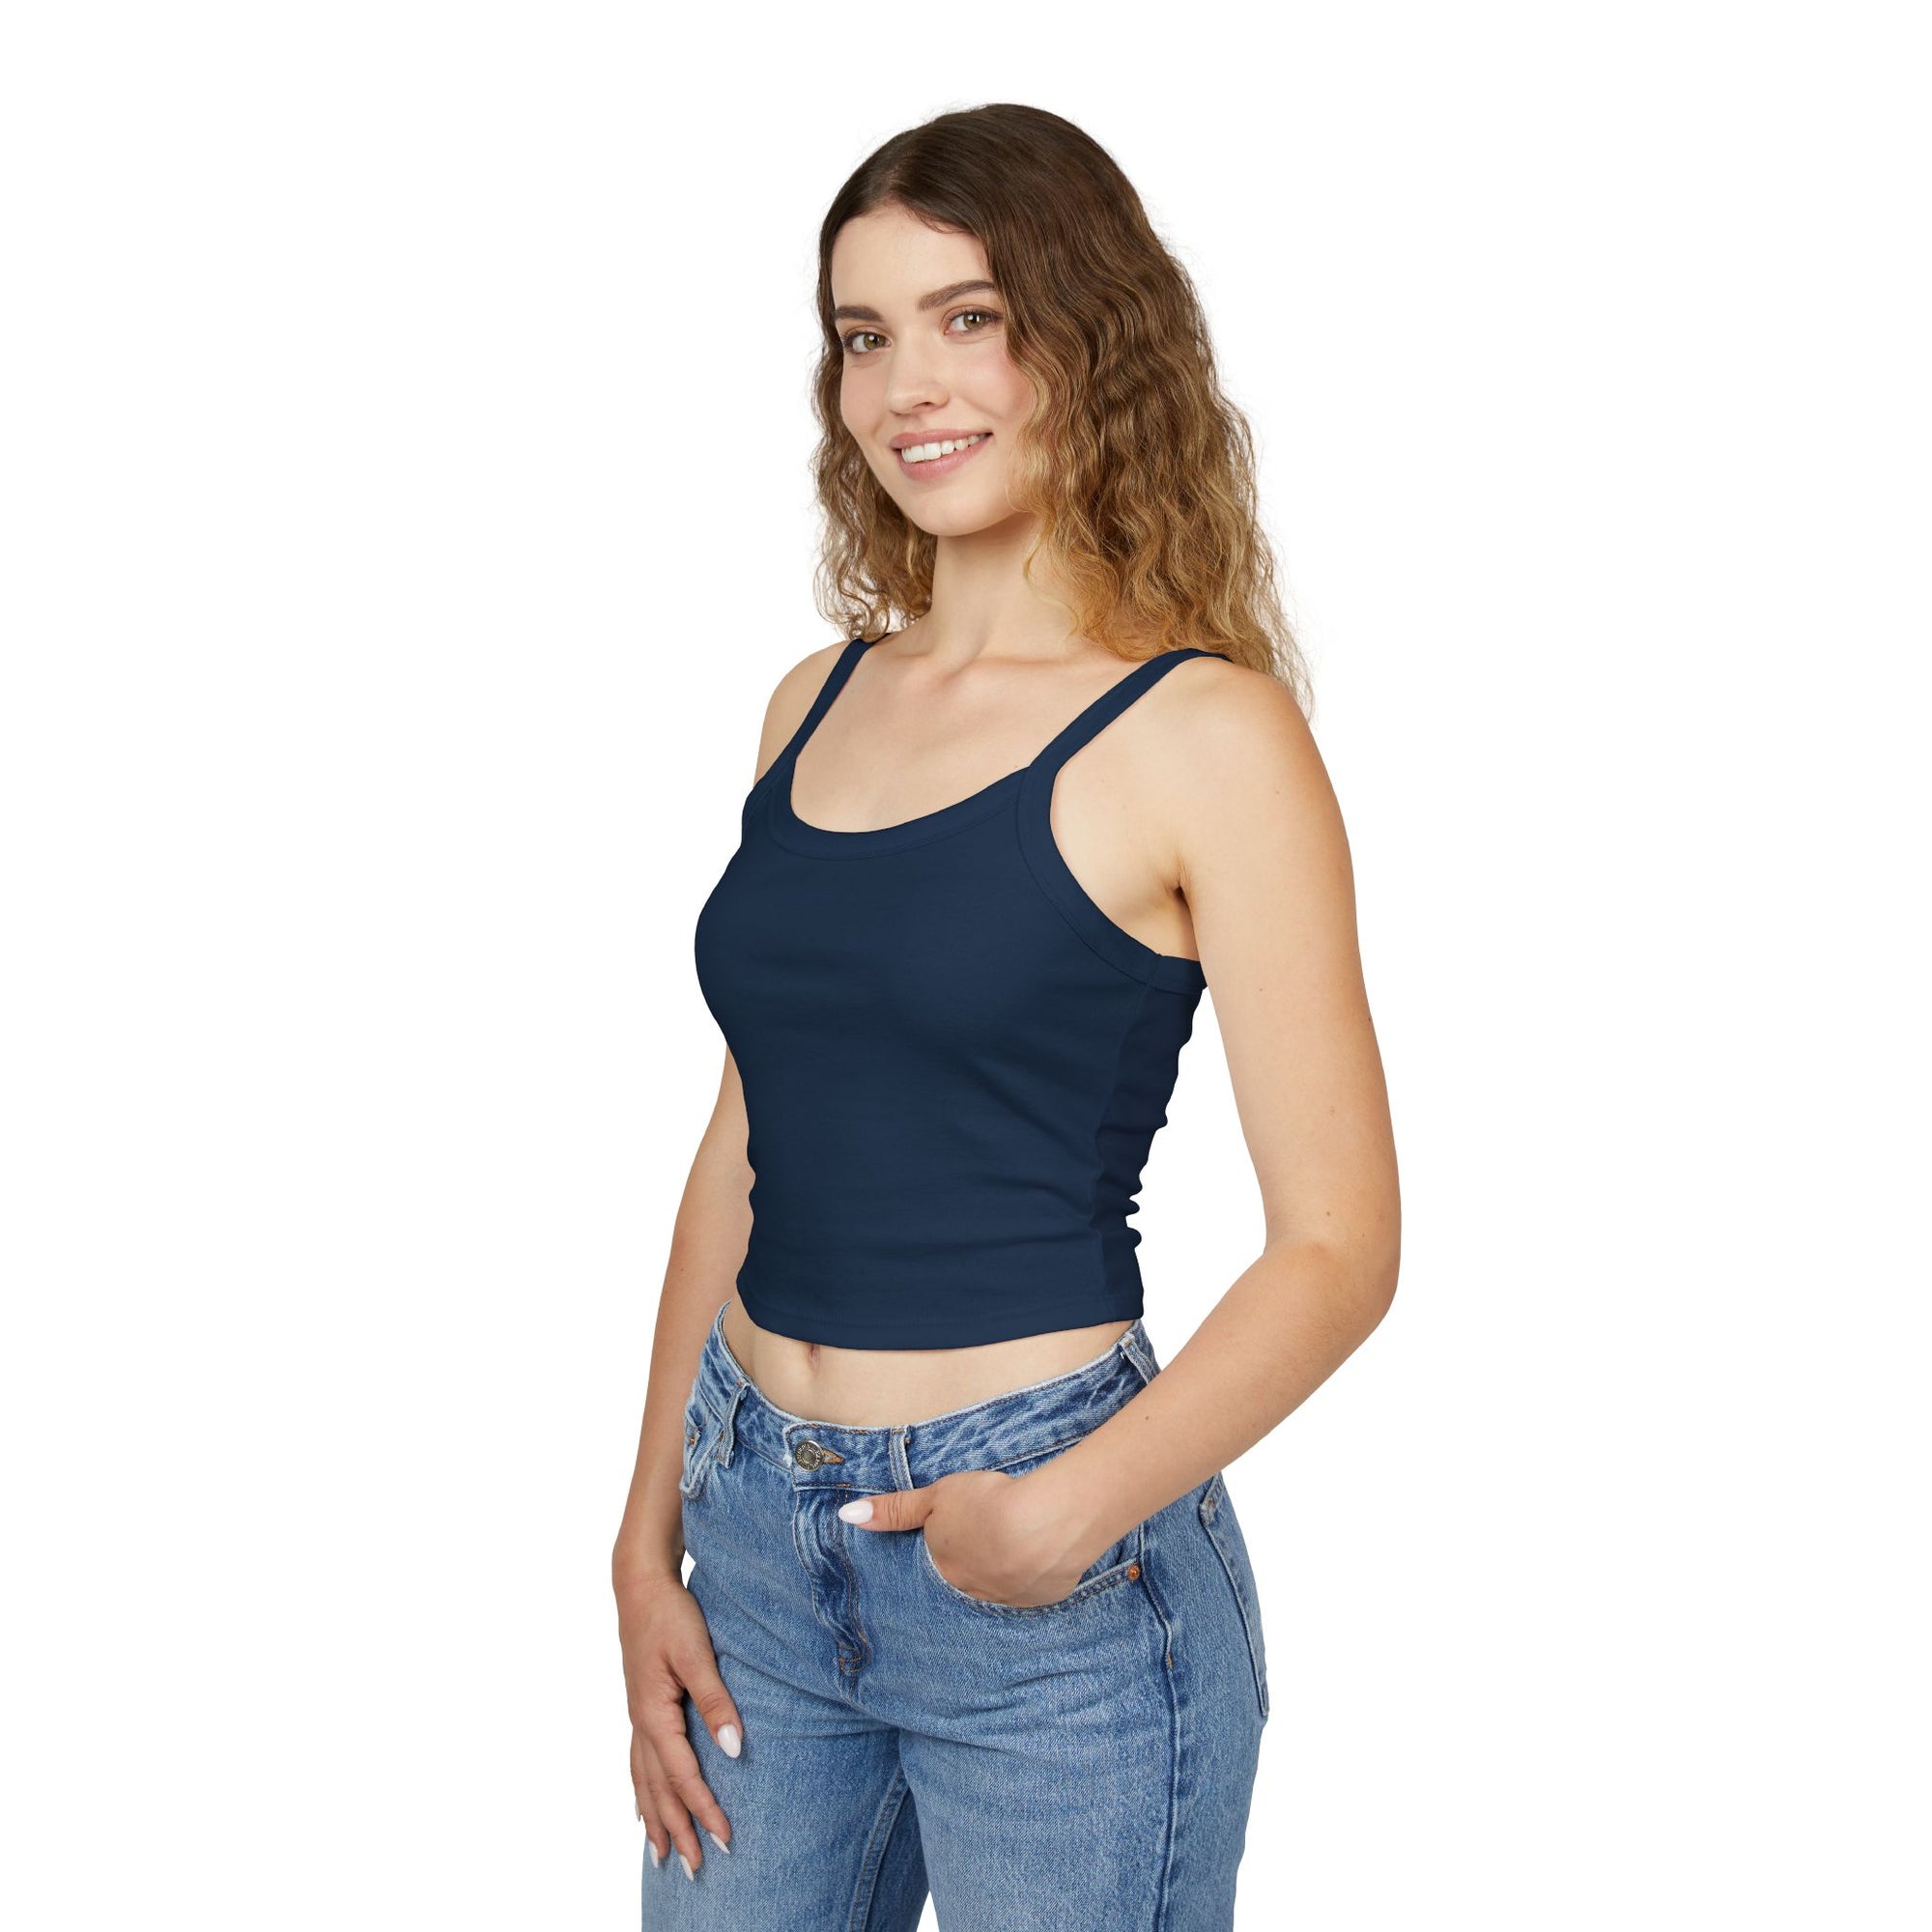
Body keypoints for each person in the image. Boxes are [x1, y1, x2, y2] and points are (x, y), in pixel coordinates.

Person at [612, 102, 1400, 1929]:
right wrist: (646, 1535)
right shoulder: (811, 703)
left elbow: (1342, 1245)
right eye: (864, 334)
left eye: (969, 318)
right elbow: (746, 1141)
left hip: (1050, 1579)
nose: (908, 385)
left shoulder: (1207, 735)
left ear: (1088, 336)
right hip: (753, 1537)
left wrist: (1066, 1509)